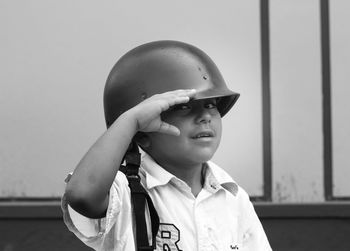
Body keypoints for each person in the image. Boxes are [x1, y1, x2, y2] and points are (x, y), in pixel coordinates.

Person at [61, 40, 272, 251]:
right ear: (142, 135)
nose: (205, 116)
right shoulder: (124, 189)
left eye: (210, 105)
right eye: (184, 107)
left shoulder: (232, 197)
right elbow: (82, 195)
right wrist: (131, 121)